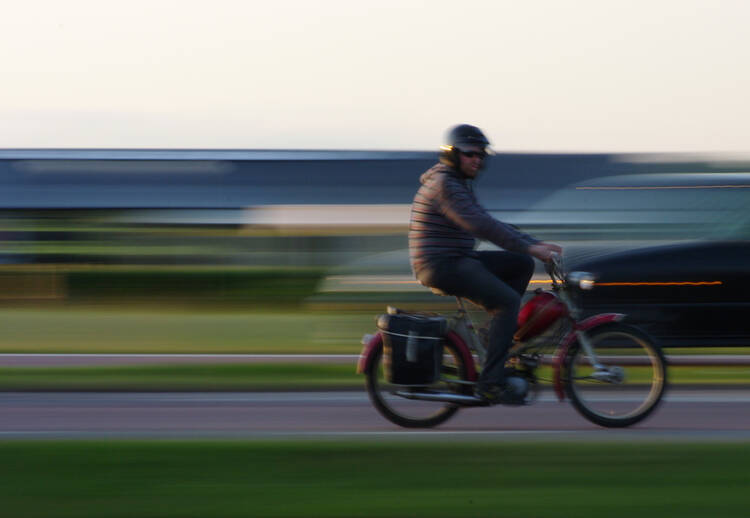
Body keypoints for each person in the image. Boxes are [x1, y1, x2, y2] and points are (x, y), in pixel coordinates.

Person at [409, 124, 562, 404]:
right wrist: (531, 247)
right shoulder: (445, 185)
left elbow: (491, 222)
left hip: (457, 258)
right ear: (452, 154)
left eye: (481, 155)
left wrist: (533, 244)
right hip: (442, 264)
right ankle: (490, 383)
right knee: (507, 303)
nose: (477, 160)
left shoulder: (457, 184)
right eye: (470, 153)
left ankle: (493, 336)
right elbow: (480, 225)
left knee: (520, 263)